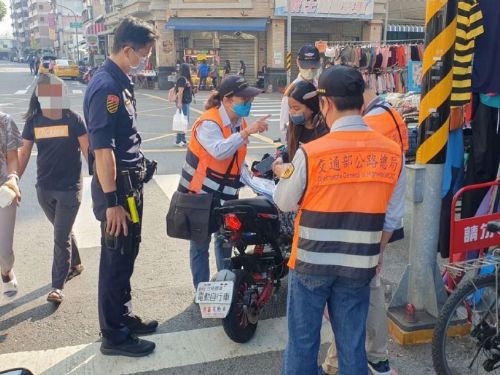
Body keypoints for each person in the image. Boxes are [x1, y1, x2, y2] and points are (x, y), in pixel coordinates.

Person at [275, 66, 404, 375]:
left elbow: (283, 201)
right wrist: (378, 253)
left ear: (326, 104)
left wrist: (284, 174)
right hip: (359, 265)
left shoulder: (312, 152)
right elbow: (392, 217)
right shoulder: (392, 152)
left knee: (303, 346)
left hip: (310, 264)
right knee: (352, 345)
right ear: (361, 103)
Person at [83, 17, 159, 357]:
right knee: (115, 258)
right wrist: (112, 201)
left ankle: (124, 317)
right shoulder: (106, 87)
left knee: (127, 253)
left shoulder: (121, 83)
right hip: (118, 193)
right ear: (127, 50)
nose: (145, 61)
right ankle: (114, 335)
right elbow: (102, 150)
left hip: (130, 187)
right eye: (143, 54)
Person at [321, 85, 408, 375]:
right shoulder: (392, 115)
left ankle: (368, 359)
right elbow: (395, 206)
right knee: (366, 293)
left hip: (357, 225)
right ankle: (360, 359)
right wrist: (381, 246)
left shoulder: (364, 128)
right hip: (375, 225)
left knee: (358, 296)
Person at [177, 75, 270, 289]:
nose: (248, 104)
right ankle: (202, 290)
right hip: (200, 196)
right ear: (227, 100)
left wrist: (257, 181)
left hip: (227, 195)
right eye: (244, 100)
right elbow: (219, 151)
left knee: (226, 240)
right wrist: (247, 132)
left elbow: (236, 159)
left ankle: (224, 286)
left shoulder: (239, 123)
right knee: (200, 245)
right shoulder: (208, 123)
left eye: (250, 101)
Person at [17, 74, 88, 304]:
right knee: (63, 231)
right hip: (44, 189)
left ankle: (57, 286)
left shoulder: (73, 119)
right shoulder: (34, 121)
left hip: (69, 188)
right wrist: (13, 181)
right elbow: (24, 153)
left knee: (59, 237)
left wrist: (101, 180)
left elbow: (88, 152)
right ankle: (76, 263)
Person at [279, 45, 321, 143]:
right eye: (306, 66)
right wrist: (289, 146)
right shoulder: (292, 90)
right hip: (299, 140)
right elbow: (284, 124)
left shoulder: (320, 86)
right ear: (298, 62)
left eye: (313, 66)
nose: (310, 69)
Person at [0, 111, 22, 297]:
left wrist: (13, 178)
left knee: (5, 252)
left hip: (4, 192)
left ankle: (5, 272)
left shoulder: (4, 121)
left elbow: (12, 157)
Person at [175, 63, 194, 147]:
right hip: (183, 103)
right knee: (182, 122)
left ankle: (180, 139)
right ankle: (181, 140)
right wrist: (179, 103)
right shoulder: (182, 79)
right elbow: (180, 92)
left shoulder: (185, 79)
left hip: (186, 102)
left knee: (183, 121)